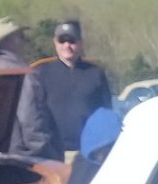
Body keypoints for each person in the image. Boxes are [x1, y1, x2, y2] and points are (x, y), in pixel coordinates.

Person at [10, 20, 112, 162]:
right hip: (55, 155)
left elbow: (106, 113)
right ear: (55, 42)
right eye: (62, 40)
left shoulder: (96, 73)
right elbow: (34, 116)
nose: (66, 45)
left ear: (80, 43)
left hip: (90, 154)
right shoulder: (40, 73)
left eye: (72, 41)